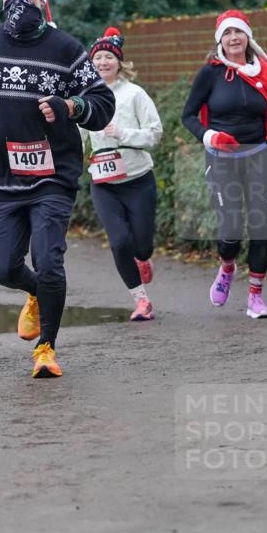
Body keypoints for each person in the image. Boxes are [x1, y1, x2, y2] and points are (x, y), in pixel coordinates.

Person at [0, 0, 115, 377]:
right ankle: (34, 295)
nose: (15, 1)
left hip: (51, 176)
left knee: (49, 261)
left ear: (42, 0)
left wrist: (70, 107)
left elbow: (101, 102)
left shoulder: (64, 48)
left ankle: (46, 348)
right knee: (3, 268)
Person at [182, 9, 267, 319]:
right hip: (222, 161)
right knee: (230, 228)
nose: (234, 38)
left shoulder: (264, 71)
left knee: (260, 228)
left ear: (247, 37)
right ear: (220, 39)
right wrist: (210, 136)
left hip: (258, 157)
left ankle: (256, 298)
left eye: (239, 32)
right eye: (228, 33)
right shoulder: (211, 73)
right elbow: (188, 116)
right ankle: (227, 266)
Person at [81, 27, 163, 321]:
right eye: (98, 58)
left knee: (141, 243)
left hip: (138, 180)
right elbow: (76, 138)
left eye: (108, 57)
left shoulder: (134, 94)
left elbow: (155, 134)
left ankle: (144, 257)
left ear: (119, 62)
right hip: (103, 184)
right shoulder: (86, 98)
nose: (103, 62)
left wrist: (123, 133)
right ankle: (141, 301)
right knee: (118, 242)